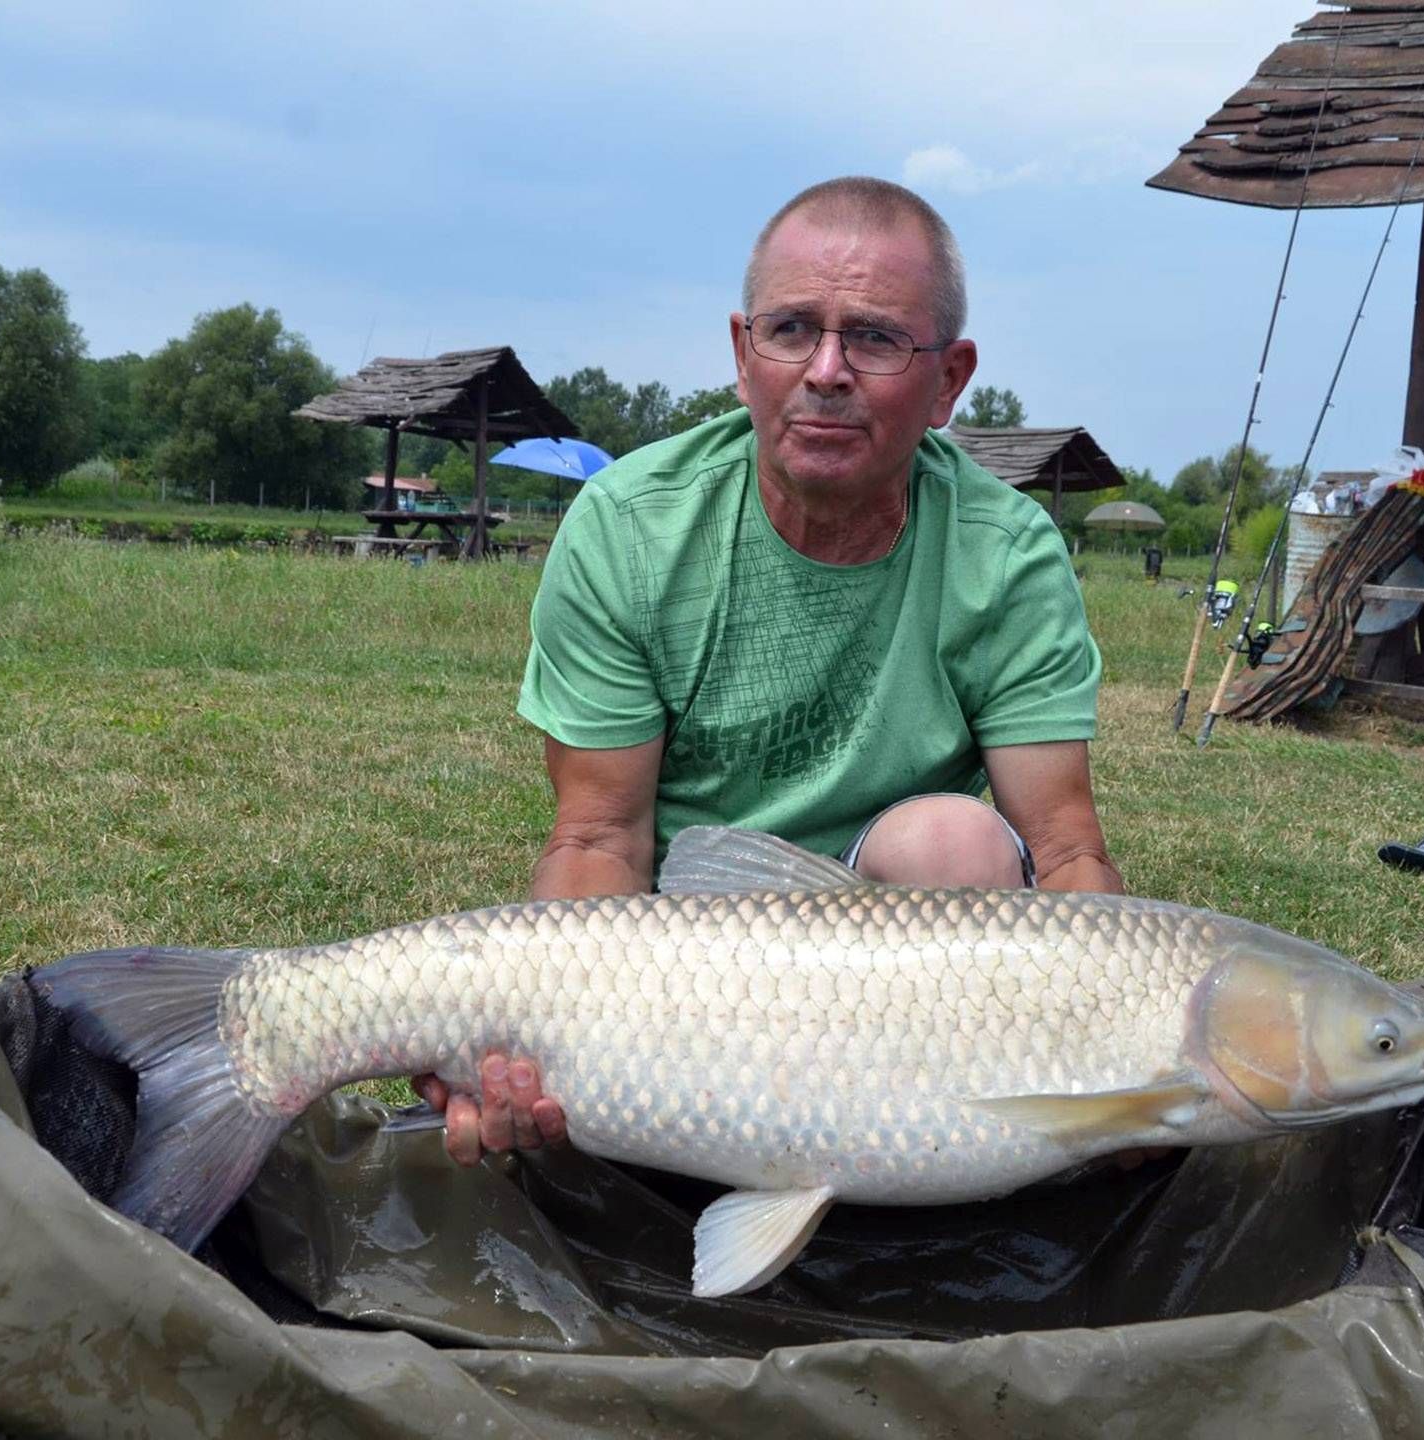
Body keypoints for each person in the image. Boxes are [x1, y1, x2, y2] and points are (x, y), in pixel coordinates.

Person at [415, 176, 1121, 1164]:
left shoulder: (1007, 554)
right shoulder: (629, 528)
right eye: (792, 330)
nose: (826, 370)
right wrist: (535, 1052)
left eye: (875, 339)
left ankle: (883, 1147)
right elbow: (598, 838)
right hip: (687, 964)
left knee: (957, 846)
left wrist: (1126, 1069)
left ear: (950, 380)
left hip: (906, 973)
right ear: (744, 355)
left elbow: (1066, 856)